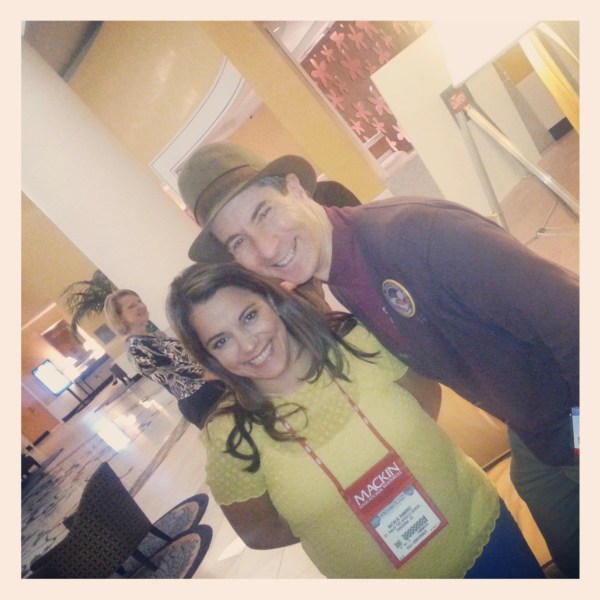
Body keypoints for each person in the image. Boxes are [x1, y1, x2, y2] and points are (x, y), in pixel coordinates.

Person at [176, 142, 579, 577]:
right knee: (551, 514)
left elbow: (575, 319)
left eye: (263, 213)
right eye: (239, 241)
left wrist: (577, 441)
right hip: (536, 429)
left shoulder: (417, 235)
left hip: (574, 418)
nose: (268, 248)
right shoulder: (344, 279)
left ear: (295, 188)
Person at [166, 262, 544, 578]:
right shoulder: (228, 435)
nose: (249, 345)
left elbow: (425, 400)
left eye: (249, 316)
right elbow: (261, 531)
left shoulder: (357, 341)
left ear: (272, 300)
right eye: (221, 341)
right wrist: (335, 518)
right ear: (210, 359)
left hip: (486, 538)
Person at [104, 289, 225, 429]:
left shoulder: (150, 337)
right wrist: (230, 376)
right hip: (204, 400)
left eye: (139, 301)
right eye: (131, 306)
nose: (140, 306)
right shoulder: (137, 346)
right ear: (121, 318)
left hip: (210, 391)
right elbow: (190, 371)